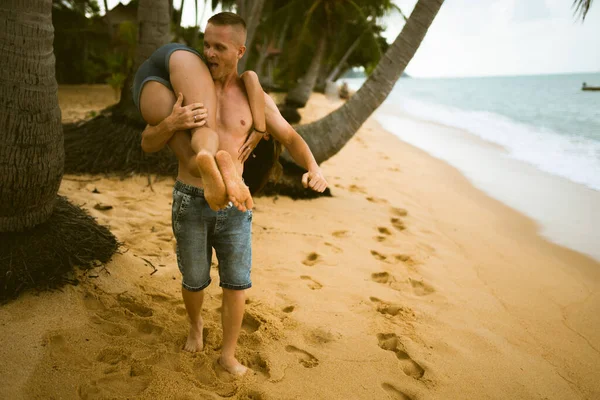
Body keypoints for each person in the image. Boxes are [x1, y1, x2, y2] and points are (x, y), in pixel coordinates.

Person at [137, 12, 328, 376]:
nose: (209, 53)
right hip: (190, 199)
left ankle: (227, 354)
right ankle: (195, 325)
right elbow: (147, 142)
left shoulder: (253, 98)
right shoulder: (186, 87)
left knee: (236, 283)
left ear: (239, 50)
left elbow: (290, 137)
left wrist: (313, 168)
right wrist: (170, 123)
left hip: (236, 205)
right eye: (206, 44)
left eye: (219, 47)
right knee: (193, 279)